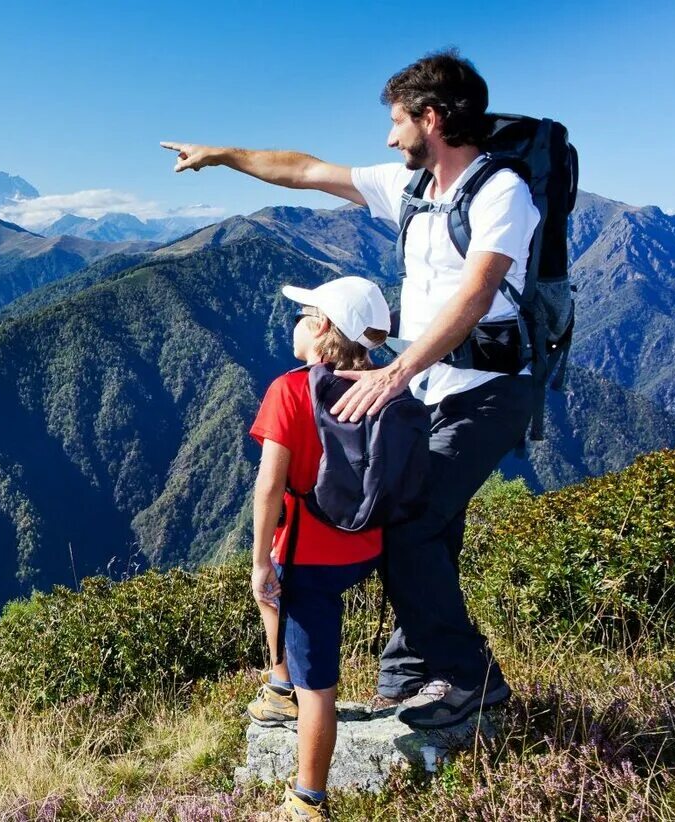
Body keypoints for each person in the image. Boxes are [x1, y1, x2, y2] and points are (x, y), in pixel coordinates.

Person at [162, 47, 536, 732]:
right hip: (426, 391)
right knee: (423, 522)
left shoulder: (501, 192)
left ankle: (472, 681)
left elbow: (479, 292)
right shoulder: (412, 188)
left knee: (411, 524)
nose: (390, 138)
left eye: (397, 122)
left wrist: (396, 369)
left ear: (432, 117)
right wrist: (222, 155)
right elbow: (304, 170)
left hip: (486, 391)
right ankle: (411, 670)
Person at [246, 276, 391, 821]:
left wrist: (260, 560)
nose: (298, 321)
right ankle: (280, 682)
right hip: (369, 544)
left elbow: (268, 487)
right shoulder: (381, 382)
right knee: (275, 588)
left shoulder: (289, 389)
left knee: (319, 689)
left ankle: (308, 800)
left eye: (306, 313)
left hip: (308, 557)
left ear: (324, 327)